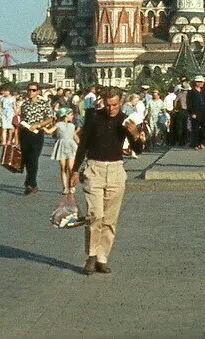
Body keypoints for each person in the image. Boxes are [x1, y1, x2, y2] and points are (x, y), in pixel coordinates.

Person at [70, 86, 143, 276]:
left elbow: (139, 149)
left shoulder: (125, 120)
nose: (111, 109)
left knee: (110, 219)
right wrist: (75, 170)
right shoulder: (94, 117)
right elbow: (83, 145)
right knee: (95, 215)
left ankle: (103, 258)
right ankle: (92, 256)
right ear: (103, 101)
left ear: (121, 102)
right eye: (108, 105)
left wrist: (135, 134)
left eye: (115, 105)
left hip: (116, 169)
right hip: (94, 168)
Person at [16, 82, 55, 195]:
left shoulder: (43, 103)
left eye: (33, 90)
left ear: (38, 91)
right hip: (25, 133)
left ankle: (30, 183)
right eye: (29, 90)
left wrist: (38, 125)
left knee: (33, 158)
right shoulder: (25, 104)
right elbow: (22, 119)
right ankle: (32, 183)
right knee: (27, 158)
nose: (31, 92)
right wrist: (17, 138)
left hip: (37, 133)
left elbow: (50, 118)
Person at [49, 107, 79, 194]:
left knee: (71, 168)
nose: (72, 116)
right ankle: (65, 187)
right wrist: (41, 127)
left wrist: (81, 145)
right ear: (66, 115)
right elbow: (50, 131)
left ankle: (72, 186)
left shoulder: (72, 125)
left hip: (71, 146)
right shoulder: (58, 124)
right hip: (61, 146)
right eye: (71, 114)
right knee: (63, 168)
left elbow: (75, 137)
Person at [187, 76, 205, 149]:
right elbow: (189, 103)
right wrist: (192, 113)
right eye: (200, 82)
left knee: (204, 128)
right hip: (195, 112)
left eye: (202, 82)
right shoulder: (191, 92)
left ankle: (202, 142)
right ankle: (195, 144)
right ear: (196, 83)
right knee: (195, 129)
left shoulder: (204, 91)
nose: (202, 83)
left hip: (204, 112)